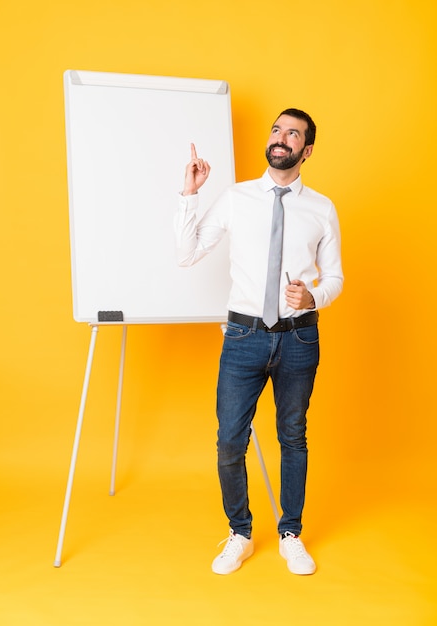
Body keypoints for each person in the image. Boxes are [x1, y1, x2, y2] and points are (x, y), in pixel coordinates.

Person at [174, 108, 343, 576]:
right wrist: (190, 194)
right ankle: (240, 533)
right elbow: (186, 254)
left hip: (298, 337)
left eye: (293, 134)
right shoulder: (236, 197)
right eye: (277, 129)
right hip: (244, 335)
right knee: (229, 439)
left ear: (306, 150)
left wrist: (314, 296)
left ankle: (291, 533)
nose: (281, 138)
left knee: (293, 435)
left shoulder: (321, 208)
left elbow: (336, 278)